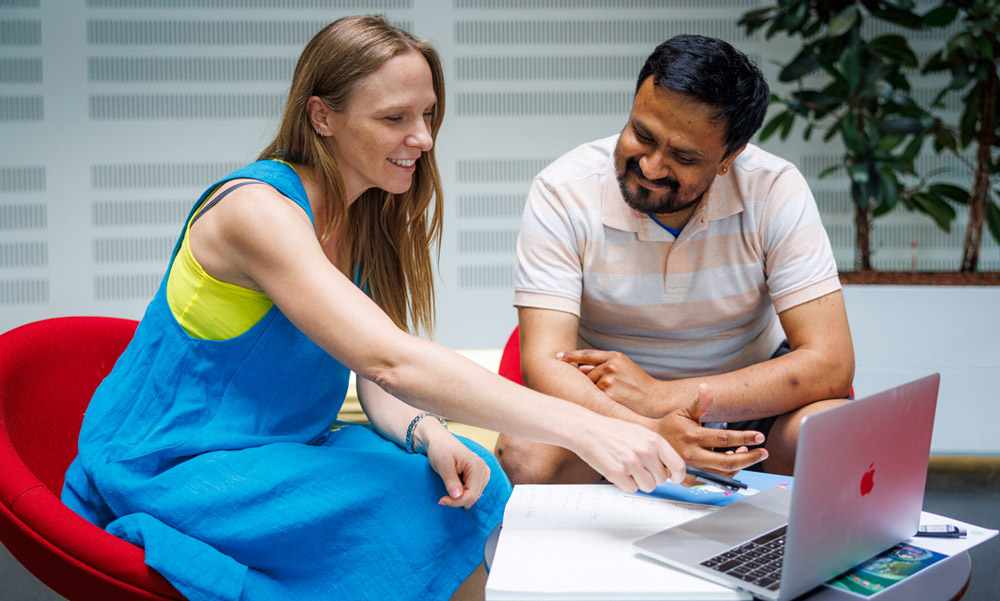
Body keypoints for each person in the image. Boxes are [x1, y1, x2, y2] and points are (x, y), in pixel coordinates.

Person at [61, 16, 686, 601]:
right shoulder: (257, 212)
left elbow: (371, 375)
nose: (424, 139)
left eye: (428, 114)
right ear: (322, 117)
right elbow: (391, 361)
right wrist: (593, 428)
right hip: (173, 463)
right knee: (400, 508)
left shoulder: (362, 215)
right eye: (395, 118)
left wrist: (429, 435)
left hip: (281, 448)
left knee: (474, 481)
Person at [496, 34, 855, 486]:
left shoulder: (773, 188)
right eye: (641, 134)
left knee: (832, 437)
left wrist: (658, 396)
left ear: (729, 157)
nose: (650, 166)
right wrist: (645, 425)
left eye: (684, 156)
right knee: (524, 454)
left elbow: (831, 363)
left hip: (749, 411)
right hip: (609, 411)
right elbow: (544, 362)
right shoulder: (562, 192)